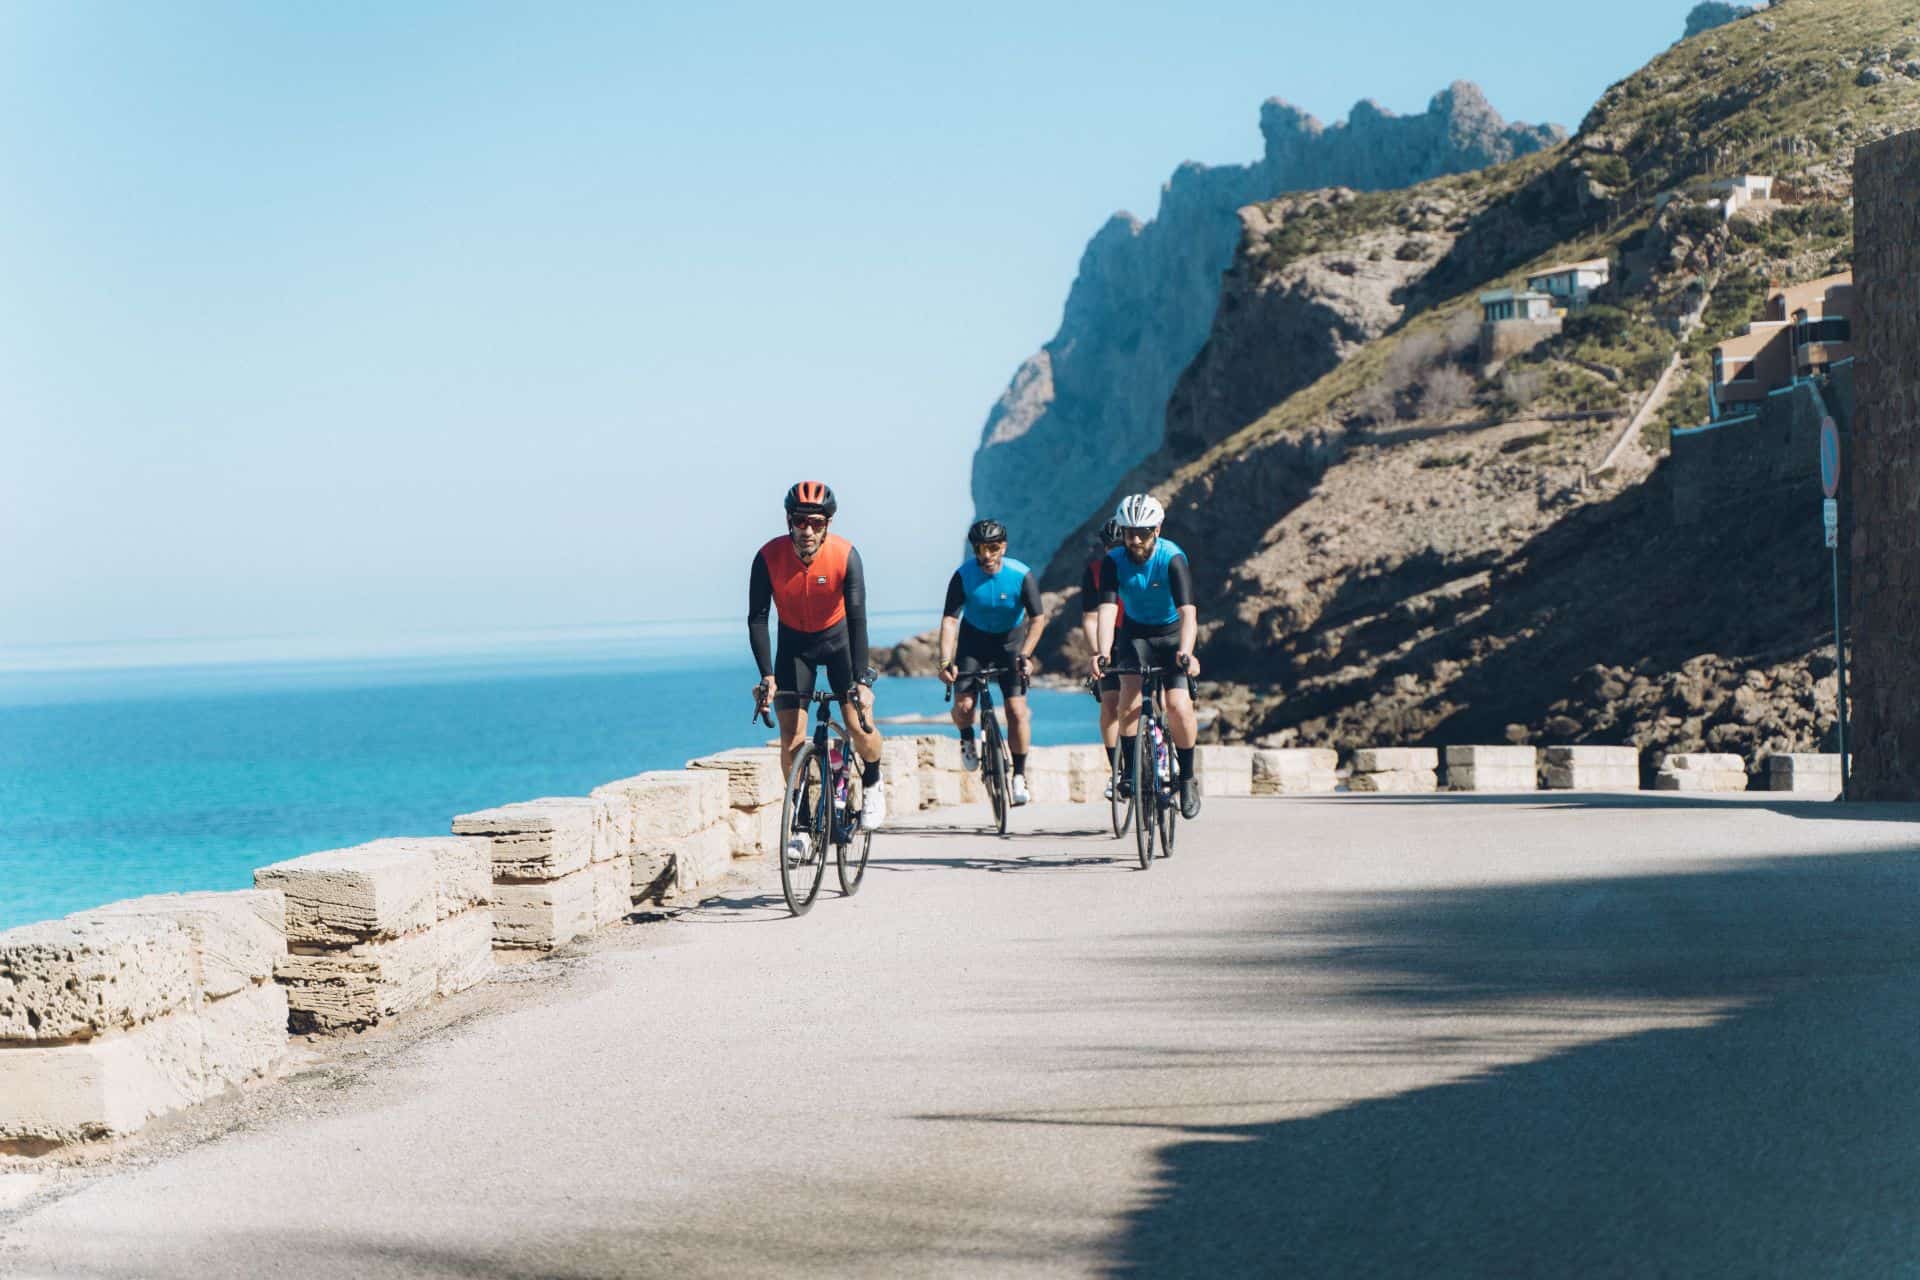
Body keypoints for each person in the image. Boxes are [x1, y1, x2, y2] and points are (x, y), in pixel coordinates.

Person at [748, 481, 886, 862]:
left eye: (815, 523)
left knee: (860, 729)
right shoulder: (768, 557)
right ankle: (803, 824)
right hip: (795, 648)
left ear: (828, 524)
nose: (806, 531)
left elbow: (858, 619)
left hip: (839, 642)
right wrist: (766, 676)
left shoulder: (845, 556)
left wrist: (861, 680)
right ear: (788, 521)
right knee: (792, 742)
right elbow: (758, 620)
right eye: (799, 522)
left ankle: (873, 780)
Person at [1092, 493, 1203, 819]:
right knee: (1127, 699)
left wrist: (1186, 652)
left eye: (1143, 532)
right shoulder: (1114, 562)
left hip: (1171, 635)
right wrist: (1101, 651)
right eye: (1129, 533)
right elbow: (1108, 609)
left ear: (1157, 529)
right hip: (1135, 634)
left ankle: (1186, 779)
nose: (1135, 540)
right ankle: (1128, 773)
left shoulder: (1172, 557)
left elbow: (1188, 612)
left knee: (1177, 704)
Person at [937, 518, 1048, 805]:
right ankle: (966, 737)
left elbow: (1038, 618)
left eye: (993, 547)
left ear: (1004, 546)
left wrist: (1026, 654)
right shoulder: (963, 575)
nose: (986, 555)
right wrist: (945, 660)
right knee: (963, 705)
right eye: (979, 549)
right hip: (973, 643)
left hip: (1010, 644)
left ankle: (1019, 775)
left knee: (1017, 710)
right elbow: (950, 620)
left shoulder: (1020, 575)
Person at [1079, 518, 1125, 799]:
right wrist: (1098, 651)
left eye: (1118, 545)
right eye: (1110, 546)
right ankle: (1117, 770)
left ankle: (1160, 752)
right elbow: (1089, 617)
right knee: (1110, 704)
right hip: (1113, 638)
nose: (1114, 551)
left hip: (1144, 633)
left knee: (1152, 697)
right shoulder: (1096, 572)